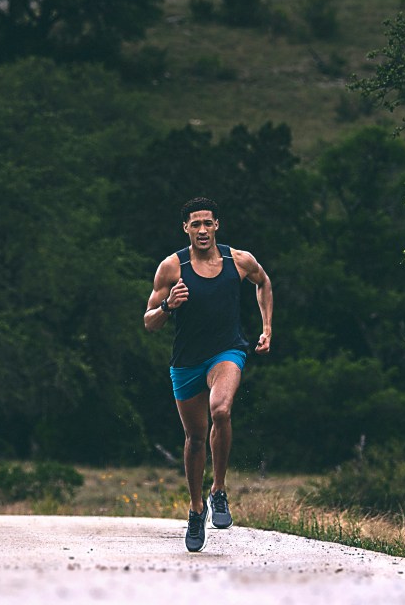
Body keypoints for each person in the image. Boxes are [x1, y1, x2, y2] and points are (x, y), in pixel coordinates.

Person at [144, 196, 272, 553]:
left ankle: (218, 491)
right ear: (185, 228)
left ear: (217, 225)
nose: (202, 229)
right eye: (195, 224)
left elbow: (264, 283)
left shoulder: (239, 260)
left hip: (227, 351)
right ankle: (196, 508)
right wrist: (169, 305)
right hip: (186, 362)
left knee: (221, 410)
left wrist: (267, 328)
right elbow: (149, 321)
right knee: (195, 438)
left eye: (208, 223)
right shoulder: (172, 268)